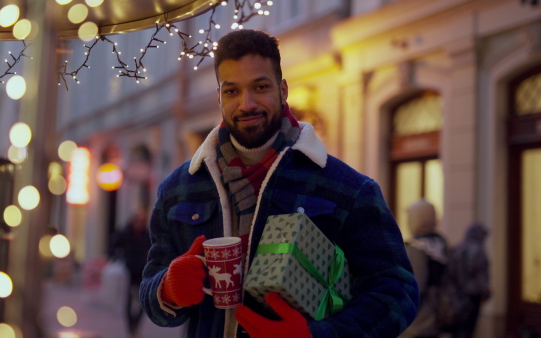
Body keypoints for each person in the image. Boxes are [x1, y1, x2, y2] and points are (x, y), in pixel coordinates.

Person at [140, 29, 419, 337]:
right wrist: (165, 290)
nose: (247, 104)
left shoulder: (349, 189)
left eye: (260, 87)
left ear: (283, 90)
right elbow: (151, 292)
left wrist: (319, 335)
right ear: (219, 97)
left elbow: (397, 293)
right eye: (232, 91)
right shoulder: (179, 188)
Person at [402, 199, 448, 338]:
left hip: (419, 321)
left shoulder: (417, 247)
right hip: (438, 315)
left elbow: (415, 287)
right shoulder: (441, 244)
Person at [109, 207, 152, 337]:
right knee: (127, 300)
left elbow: (152, 248)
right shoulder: (125, 232)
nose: (139, 223)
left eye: (142, 221)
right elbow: (113, 245)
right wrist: (118, 257)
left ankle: (136, 324)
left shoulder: (146, 234)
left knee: (142, 300)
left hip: (142, 270)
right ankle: (130, 327)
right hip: (128, 269)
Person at [449, 222, 491, 338]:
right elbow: (481, 276)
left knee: (457, 329)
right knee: (467, 330)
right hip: (472, 297)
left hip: (456, 296)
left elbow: (450, 273)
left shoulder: (457, 248)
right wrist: (485, 292)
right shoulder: (478, 251)